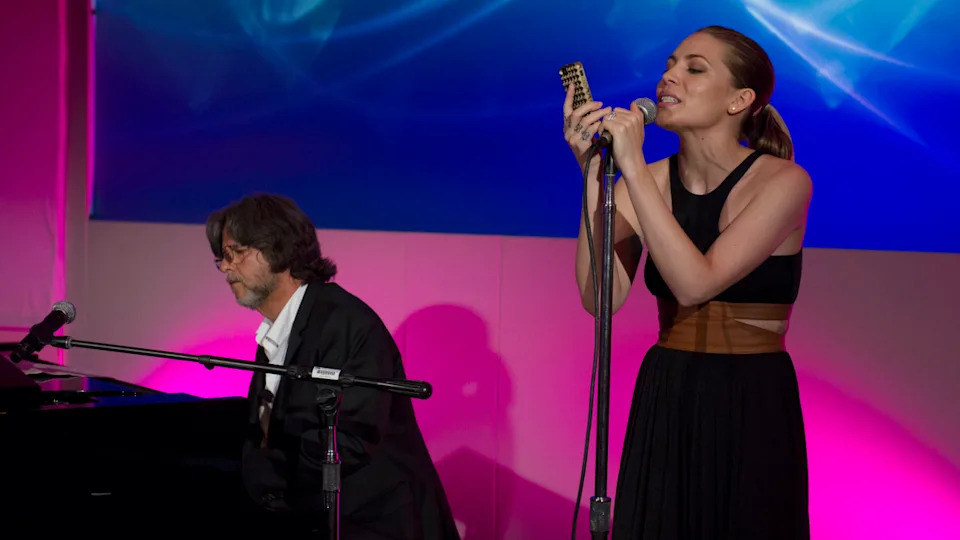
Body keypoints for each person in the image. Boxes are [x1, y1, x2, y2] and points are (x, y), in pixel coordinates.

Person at [566, 26, 811, 538]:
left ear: (739, 100)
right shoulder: (647, 179)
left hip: (751, 397)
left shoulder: (783, 181)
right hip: (670, 388)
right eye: (670, 65)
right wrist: (594, 174)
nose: (668, 77)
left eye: (694, 69)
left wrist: (631, 167)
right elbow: (600, 299)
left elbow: (696, 284)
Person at [206, 193, 460, 539]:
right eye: (221, 256)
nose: (224, 267)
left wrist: (258, 474)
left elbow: (348, 442)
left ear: (275, 247)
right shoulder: (278, 330)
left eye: (234, 253)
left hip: (376, 524)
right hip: (321, 515)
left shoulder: (344, 323)